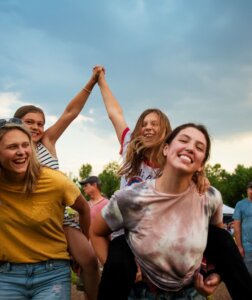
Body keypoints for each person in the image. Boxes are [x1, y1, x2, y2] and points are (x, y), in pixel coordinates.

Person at [96, 68, 252, 300]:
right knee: (118, 263)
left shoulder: (173, 160)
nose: (148, 127)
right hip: (130, 231)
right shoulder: (130, 145)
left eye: (154, 124)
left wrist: (201, 176)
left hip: (172, 230)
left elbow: (194, 156)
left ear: (167, 137)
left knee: (220, 239)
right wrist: (100, 81)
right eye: (144, 123)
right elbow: (114, 112)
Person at [0, 67, 102, 300]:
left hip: (54, 218)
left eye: (40, 123)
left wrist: (92, 82)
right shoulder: (0, 162)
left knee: (89, 261)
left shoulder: (47, 142)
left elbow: (70, 112)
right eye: (29, 122)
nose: (35, 127)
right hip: (10, 221)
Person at [91, 123, 224, 300]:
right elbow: (96, 232)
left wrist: (214, 273)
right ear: (166, 149)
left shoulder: (210, 197)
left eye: (199, 147)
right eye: (184, 140)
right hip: (142, 294)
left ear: (201, 165)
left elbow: (220, 241)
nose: (190, 148)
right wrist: (117, 269)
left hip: (192, 294)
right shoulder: (132, 197)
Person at [0, 120, 90, 299]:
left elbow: (84, 209)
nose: (21, 152)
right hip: (8, 274)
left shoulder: (56, 181)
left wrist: (84, 240)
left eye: (25, 145)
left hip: (52, 272)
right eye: (12, 147)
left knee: (89, 260)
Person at [233, 181, 252, 276]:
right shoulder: (240, 204)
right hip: (247, 247)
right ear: (247, 190)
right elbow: (236, 227)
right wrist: (239, 246)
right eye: (251, 188)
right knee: (248, 274)